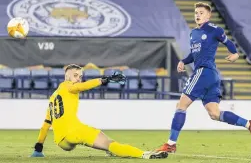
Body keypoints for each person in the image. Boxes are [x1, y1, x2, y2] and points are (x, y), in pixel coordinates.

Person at [156, 2, 251, 153]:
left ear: (208, 15)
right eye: (196, 13)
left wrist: (235, 54)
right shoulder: (194, 33)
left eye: (201, 12)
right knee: (215, 113)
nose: (197, 15)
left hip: (204, 72)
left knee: (181, 106)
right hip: (211, 76)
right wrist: (183, 61)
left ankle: (170, 144)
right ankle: (248, 124)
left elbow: (228, 42)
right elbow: (194, 55)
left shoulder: (214, 30)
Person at [30, 64, 168, 159]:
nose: (79, 78)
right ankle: (144, 154)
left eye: (80, 75)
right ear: (67, 77)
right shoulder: (67, 86)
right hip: (74, 131)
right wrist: (104, 80)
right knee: (110, 144)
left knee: (98, 136)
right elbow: (82, 86)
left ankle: (110, 150)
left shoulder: (53, 96)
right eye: (75, 75)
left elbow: (46, 124)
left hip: (61, 141)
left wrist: (38, 148)